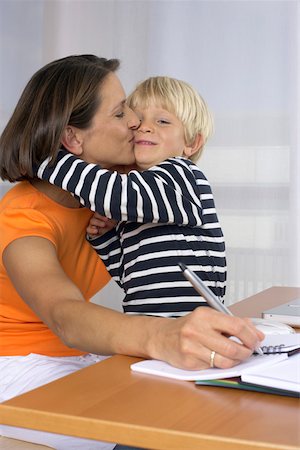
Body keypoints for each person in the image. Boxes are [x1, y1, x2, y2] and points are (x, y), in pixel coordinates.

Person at [0, 54, 263, 449]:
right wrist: (162, 335)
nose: (137, 125)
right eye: (123, 113)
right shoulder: (24, 217)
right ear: (73, 139)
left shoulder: (114, 197)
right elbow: (65, 316)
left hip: (80, 357)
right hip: (19, 365)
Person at [85, 76, 226, 317]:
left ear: (191, 143)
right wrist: (106, 238)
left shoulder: (181, 174)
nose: (145, 127)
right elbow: (129, 274)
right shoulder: (142, 199)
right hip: (147, 328)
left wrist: (49, 160)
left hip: (191, 323)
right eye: (137, 120)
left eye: (162, 121)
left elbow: (114, 193)